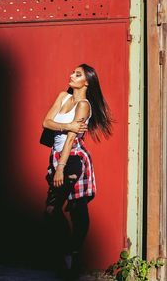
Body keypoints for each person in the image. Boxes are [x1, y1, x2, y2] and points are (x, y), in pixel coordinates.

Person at [42, 63, 112, 280]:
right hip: (56, 157)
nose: (71, 75)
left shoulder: (84, 105)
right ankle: (71, 254)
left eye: (78, 74)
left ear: (87, 81)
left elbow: (72, 139)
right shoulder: (63, 96)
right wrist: (68, 126)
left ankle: (71, 253)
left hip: (71, 159)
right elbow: (46, 122)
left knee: (60, 209)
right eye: (72, 72)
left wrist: (60, 168)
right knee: (69, 209)